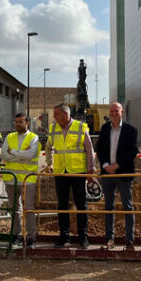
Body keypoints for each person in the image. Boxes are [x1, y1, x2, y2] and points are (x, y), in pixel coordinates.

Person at [45, 103, 94, 249]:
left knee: (81, 205)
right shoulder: (53, 128)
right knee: (62, 205)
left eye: (56, 114)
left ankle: (83, 237)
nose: (54, 117)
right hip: (60, 172)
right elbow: (48, 147)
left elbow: (89, 149)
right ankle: (64, 236)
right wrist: (49, 163)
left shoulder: (80, 127)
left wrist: (90, 170)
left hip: (78, 172)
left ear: (65, 114)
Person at [96, 102, 138, 251]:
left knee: (127, 206)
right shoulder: (105, 128)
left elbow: (133, 151)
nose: (114, 113)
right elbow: (99, 148)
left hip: (124, 173)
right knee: (109, 206)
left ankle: (129, 241)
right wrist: (106, 165)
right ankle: (109, 239)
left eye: (117, 111)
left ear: (122, 112)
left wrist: (118, 165)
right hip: (107, 173)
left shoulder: (131, 130)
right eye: (112, 110)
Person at [1, 113, 41, 249]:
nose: (18, 124)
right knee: (14, 210)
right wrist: (21, 155)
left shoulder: (33, 138)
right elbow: (3, 155)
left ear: (27, 123)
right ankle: (16, 235)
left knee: (28, 209)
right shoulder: (9, 137)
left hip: (27, 180)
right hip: (11, 179)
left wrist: (12, 152)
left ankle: (31, 238)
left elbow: (30, 155)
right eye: (16, 121)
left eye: (21, 122)